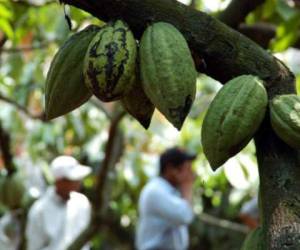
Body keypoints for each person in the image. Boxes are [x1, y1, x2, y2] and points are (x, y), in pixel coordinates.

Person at [26, 155, 92, 250]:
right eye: (72, 180)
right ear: (59, 181)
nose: (78, 182)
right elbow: (34, 246)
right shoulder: (39, 211)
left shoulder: (82, 203)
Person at [136, 147, 196, 250]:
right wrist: (187, 186)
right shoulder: (155, 191)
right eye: (187, 168)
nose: (191, 173)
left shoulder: (170, 191)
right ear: (170, 169)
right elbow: (184, 216)